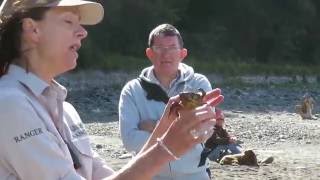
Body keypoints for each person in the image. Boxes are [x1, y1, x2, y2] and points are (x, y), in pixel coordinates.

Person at [0, 0, 224, 180]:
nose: (82, 32)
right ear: (32, 29)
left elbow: (111, 177)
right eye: (69, 21)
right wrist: (167, 147)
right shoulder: (9, 104)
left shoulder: (66, 110)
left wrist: (163, 128)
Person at [119, 23, 219, 180]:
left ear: (182, 53)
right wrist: (182, 129)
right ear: (149, 53)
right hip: (149, 175)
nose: (166, 54)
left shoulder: (199, 84)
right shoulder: (132, 90)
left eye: (172, 47)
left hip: (195, 175)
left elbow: (205, 132)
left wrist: (154, 126)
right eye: (159, 48)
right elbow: (130, 141)